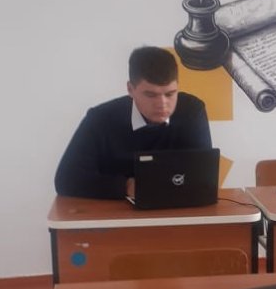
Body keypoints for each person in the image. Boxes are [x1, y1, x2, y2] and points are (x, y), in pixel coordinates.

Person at [54, 46, 212, 199]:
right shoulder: (100, 118)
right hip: (115, 211)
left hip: (177, 207)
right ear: (130, 89)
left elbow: (204, 176)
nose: (162, 104)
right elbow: (66, 179)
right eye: (151, 95)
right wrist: (127, 186)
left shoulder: (192, 111)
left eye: (170, 94)